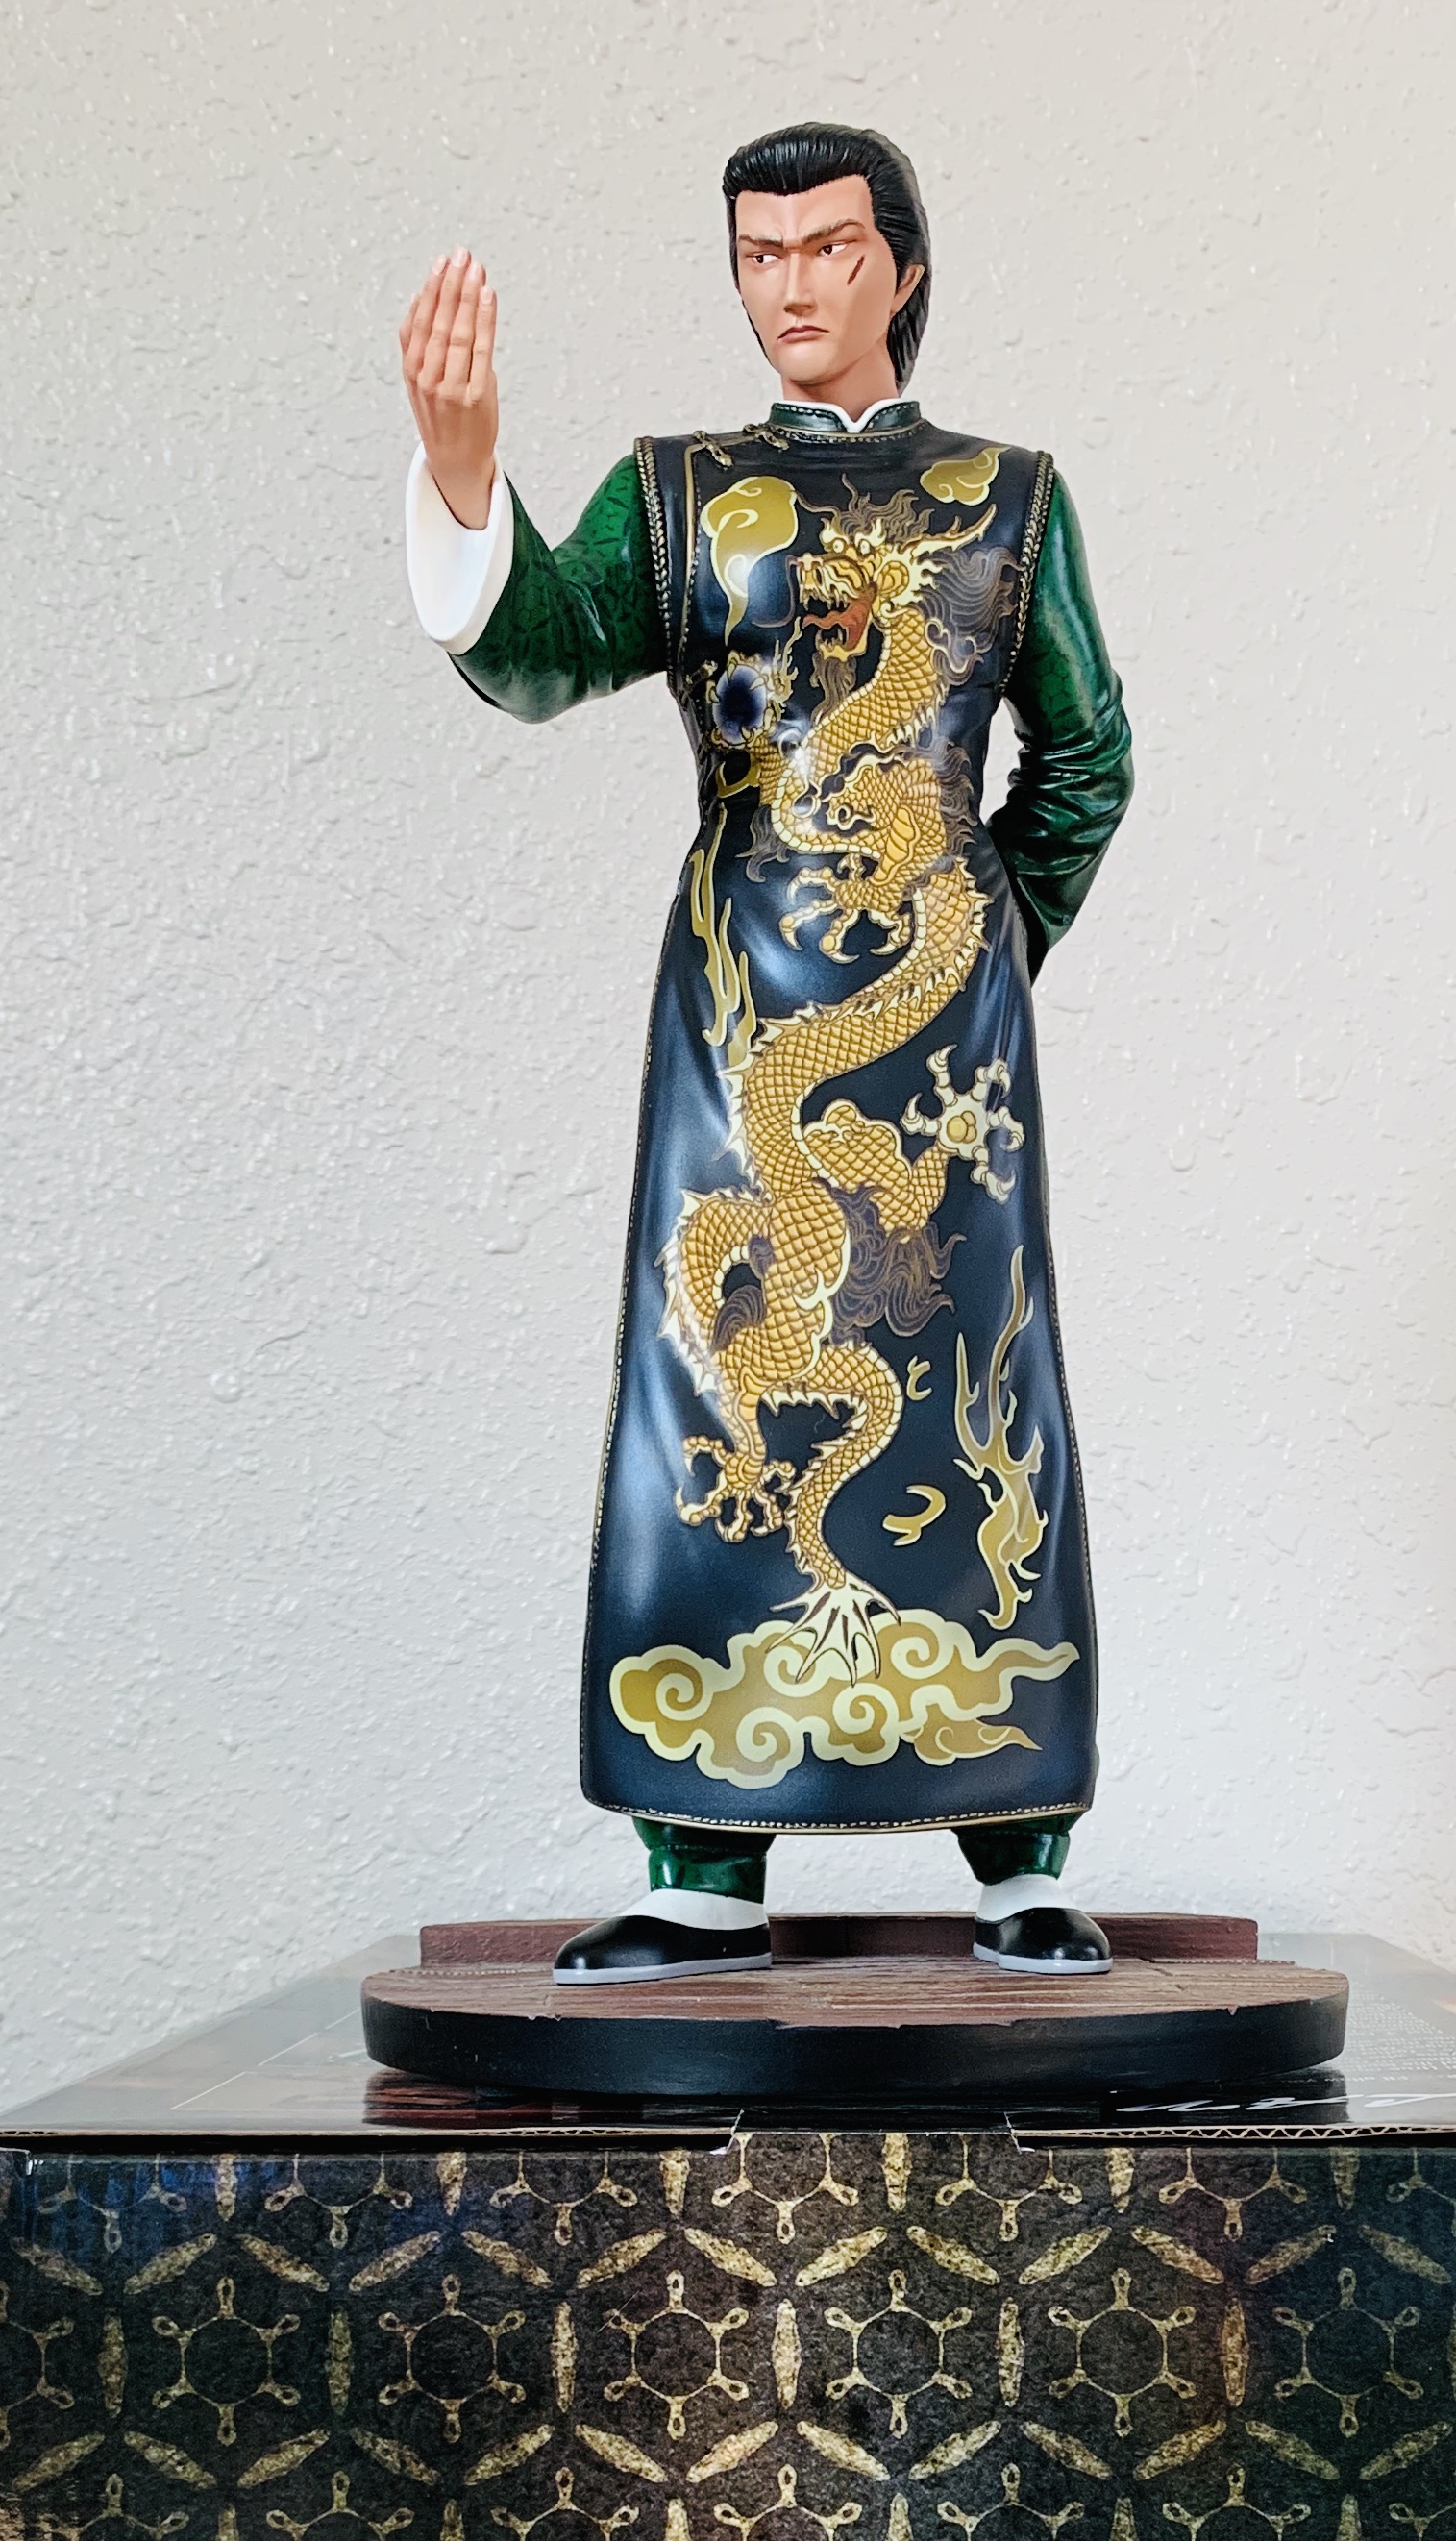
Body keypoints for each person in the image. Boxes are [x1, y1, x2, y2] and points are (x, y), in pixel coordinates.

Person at [396, 124, 1133, 1978]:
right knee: (701, 1373)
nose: (792, 284)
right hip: (742, 1009)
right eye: (759, 254)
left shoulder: (1007, 500)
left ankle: (1019, 1849)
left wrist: (992, 940)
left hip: (941, 1030)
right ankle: (699, 1864)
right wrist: (467, 479)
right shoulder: (681, 494)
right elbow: (545, 650)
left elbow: (1088, 753)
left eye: (828, 247)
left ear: (901, 265)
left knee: (977, 1370)